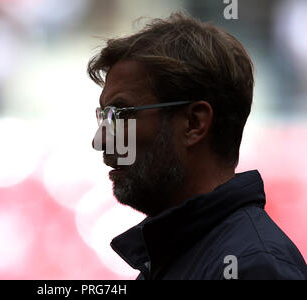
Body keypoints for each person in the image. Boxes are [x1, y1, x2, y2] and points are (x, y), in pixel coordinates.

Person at [89, 13, 306, 280]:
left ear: (194, 124)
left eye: (120, 114)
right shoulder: (178, 252)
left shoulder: (251, 267)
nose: (100, 140)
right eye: (104, 117)